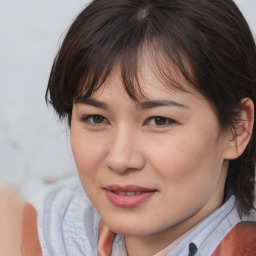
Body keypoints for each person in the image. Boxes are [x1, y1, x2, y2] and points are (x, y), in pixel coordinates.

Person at [1, 0, 256, 255]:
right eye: (96, 119)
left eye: (159, 120)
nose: (120, 159)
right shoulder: (36, 231)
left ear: (238, 129)